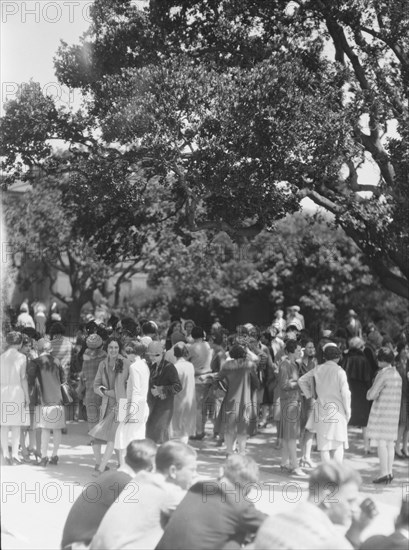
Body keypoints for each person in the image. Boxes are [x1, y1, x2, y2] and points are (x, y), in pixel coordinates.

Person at [90, 441, 197, 550]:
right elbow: (201, 522)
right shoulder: (168, 492)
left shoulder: (140, 480)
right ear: (173, 471)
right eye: (192, 470)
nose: (195, 475)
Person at [254, 462, 377, 550]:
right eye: (350, 501)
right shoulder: (330, 542)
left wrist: (355, 530)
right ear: (328, 498)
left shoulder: (272, 523)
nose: (355, 508)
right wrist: (356, 533)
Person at [61, 439, 157, 550]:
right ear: (150, 468)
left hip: (74, 544)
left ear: (125, 457)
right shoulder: (127, 484)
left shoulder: (111, 476)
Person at [156, 454, 267, 550]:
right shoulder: (238, 504)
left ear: (221, 472)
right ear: (248, 485)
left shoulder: (197, 488)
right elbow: (275, 525)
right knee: (245, 532)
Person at [298, 343, 351, 463]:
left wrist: (310, 394)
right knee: (338, 444)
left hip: (320, 407)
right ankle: (337, 473)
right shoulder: (340, 371)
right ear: (338, 357)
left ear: (325, 357)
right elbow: (346, 393)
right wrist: (348, 410)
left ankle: (326, 474)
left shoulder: (318, 368)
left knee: (324, 446)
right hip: (337, 410)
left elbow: (301, 380)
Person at [89, 337, 130, 475]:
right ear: (107, 349)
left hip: (122, 404)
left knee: (114, 436)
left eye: (116, 347)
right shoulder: (103, 364)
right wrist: (106, 392)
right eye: (111, 347)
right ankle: (120, 464)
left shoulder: (125, 363)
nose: (113, 350)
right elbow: (95, 386)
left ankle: (101, 468)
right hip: (107, 404)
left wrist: (110, 393)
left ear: (120, 349)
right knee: (101, 435)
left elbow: (126, 387)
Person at [215, 343, 259, 456]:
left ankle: (229, 451)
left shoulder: (227, 366)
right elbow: (256, 383)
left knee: (229, 428)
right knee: (242, 428)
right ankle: (242, 452)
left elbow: (217, 379)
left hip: (230, 399)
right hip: (245, 400)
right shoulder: (249, 366)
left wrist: (224, 388)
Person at [366, 347, 402, 483]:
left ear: (381, 360)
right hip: (393, 413)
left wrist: (368, 393)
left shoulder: (382, 374)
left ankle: (383, 473)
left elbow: (372, 394)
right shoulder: (396, 374)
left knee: (381, 442)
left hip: (382, 412)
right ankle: (389, 472)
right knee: (390, 443)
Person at [27, 339, 66, 466]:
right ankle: (54, 455)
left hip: (42, 399)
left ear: (38, 349)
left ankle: (44, 457)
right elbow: (63, 379)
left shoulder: (35, 362)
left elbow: (30, 380)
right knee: (57, 429)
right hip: (57, 398)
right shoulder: (56, 361)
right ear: (50, 350)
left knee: (45, 429)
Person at [115, 342, 150, 465]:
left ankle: (125, 466)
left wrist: (131, 410)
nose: (126, 356)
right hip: (142, 404)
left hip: (133, 404)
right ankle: (136, 466)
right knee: (137, 437)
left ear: (132, 353)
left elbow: (135, 389)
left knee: (124, 437)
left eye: (128, 353)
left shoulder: (134, 367)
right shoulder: (144, 365)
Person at [342, 337, 376, 455]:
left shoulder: (346, 358)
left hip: (348, 392)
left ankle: (342, 445)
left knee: (346, 418)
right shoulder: (364, 359)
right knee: (364, 422)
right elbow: (368, 378)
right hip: (362, 393)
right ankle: (367, 447)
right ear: (360, 347)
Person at [0, 332, 30, 465]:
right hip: (16, 390)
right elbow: (23, 378)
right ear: (19, 343)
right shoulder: (22, 357)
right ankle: (15, 455)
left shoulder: (1, 357)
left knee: (4, 424)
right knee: (16, 425)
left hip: (3, 390)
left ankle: (5, 453)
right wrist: (27, 396)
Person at [79, 334, 107, 469]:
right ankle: (109, 461)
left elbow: (82, 379)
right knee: (107, 429)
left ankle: (98, 462)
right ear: (102, 345)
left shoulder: (85, 360)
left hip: (90, 396)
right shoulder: (106, 359)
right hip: (104, 396)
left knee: (93, 428)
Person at [146, 341, 182, 443]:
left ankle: (162, 457)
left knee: (160, 435)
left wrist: (161, 389)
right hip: (151, 405)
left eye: (156, 355)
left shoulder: (169, 367)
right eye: (151, 355)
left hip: (164, 407)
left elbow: (178, 386)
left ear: (163, 354)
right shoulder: (150, 366)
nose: (153, 358)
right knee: (149, 436)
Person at [278, 339, 305, 475]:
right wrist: (300, 383)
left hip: (293, 401)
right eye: (299, 350)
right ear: (292, 351)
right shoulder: (285, 364)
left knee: (288, 435)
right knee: (291, 436)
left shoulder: (293, 364)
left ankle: (285, 463)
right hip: (289, 402)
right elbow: (283, 385)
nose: (301, 352)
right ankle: (295, 465)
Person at [188, 326, 213, 440]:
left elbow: (186, 361)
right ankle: (202, 429)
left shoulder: (191, 348)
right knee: (204, 406)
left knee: (198, 407)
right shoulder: (208, 345)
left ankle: (199, 431)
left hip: (197, 379)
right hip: (208, 378)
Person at [169, 343, 196, 444]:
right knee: (185, 430)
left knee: (176, 428)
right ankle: (183, 449)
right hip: (189, 399)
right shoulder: (190, 366)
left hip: (178, 400)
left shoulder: (175, 367)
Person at [299, 339, 317, 468]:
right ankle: (301, 456)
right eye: (309, 347)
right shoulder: (298, 362)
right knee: (301, 428)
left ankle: (307, 456)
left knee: (310, 428)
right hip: (299, 397)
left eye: (313, 347)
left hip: (311, 397)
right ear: (303, 349)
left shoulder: (316, 362)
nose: (311, 349)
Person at [395, 342, 409, 458]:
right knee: (403, 422)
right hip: (403, 395)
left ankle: (404, 447)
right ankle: (397, 447)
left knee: (407, 424)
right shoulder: (399, 365)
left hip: (406, 394)